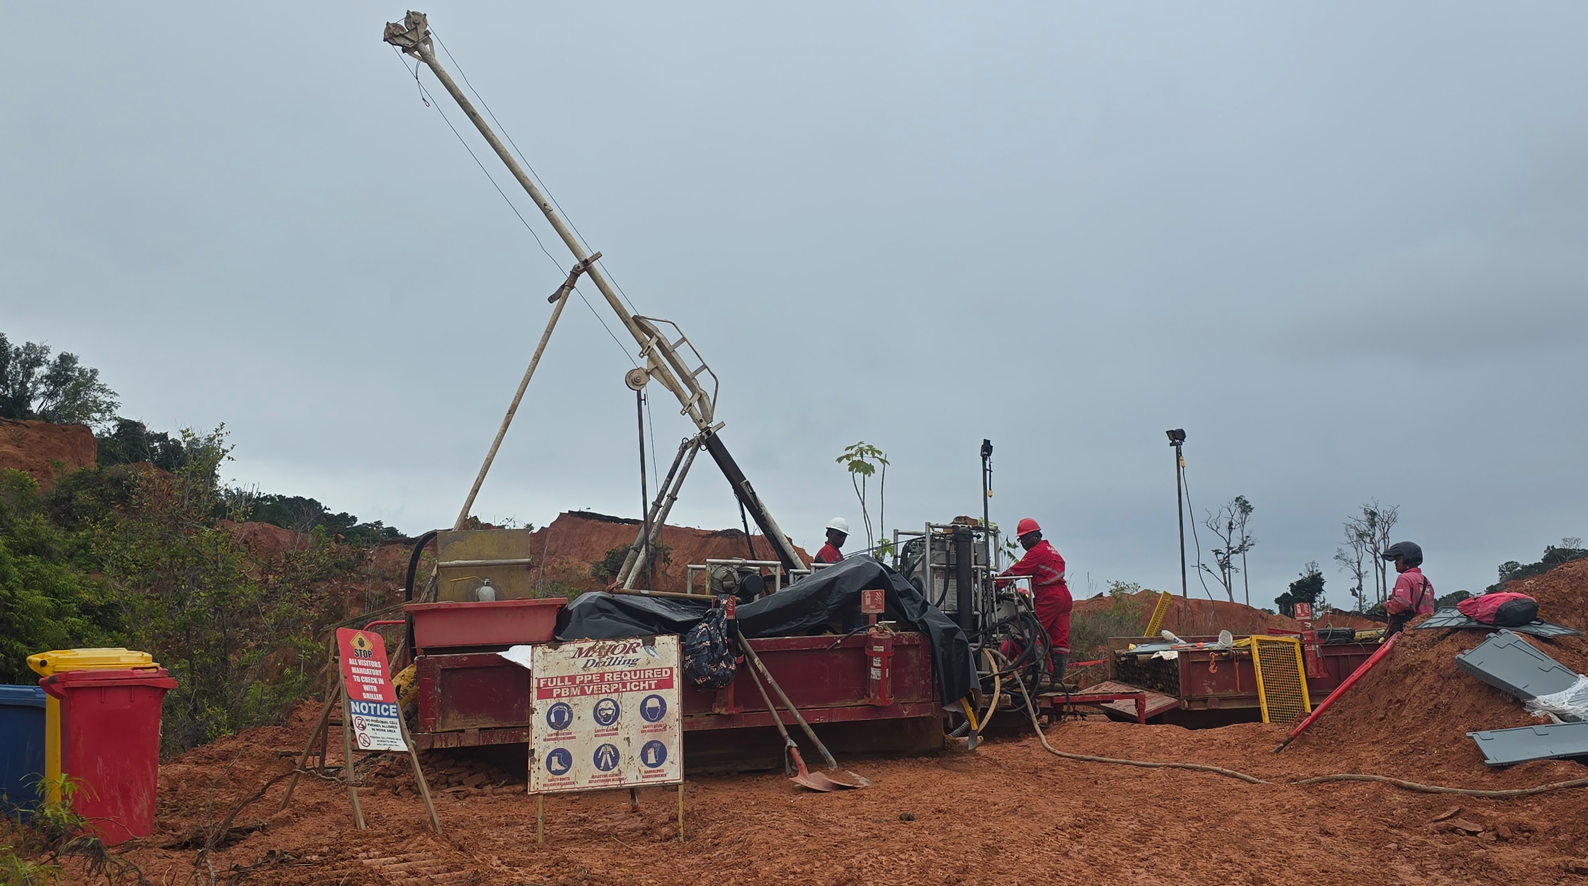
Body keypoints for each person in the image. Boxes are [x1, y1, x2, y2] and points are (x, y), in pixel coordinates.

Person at [997, 518, 1072, 684]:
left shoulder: (1036, 552)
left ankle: (1040, 676)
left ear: (1036, 536)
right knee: (1058, 639)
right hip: (1063, 596)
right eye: (1021, 539)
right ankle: (1056, 679)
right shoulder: (1051, 550)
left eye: (1025, 538)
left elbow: (1017, 570)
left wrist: (996, 583)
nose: (1023, 542)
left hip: (1049, 596)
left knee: (1030, 633)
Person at [1382, 540, 1434, 637]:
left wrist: (1385, 606)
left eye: (1397, 559)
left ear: (1406, 559)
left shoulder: (1404, 578)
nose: (1395, 563)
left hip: (1409, 632)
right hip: (1426, 629)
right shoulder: (1425, 580)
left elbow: (1401, 603)